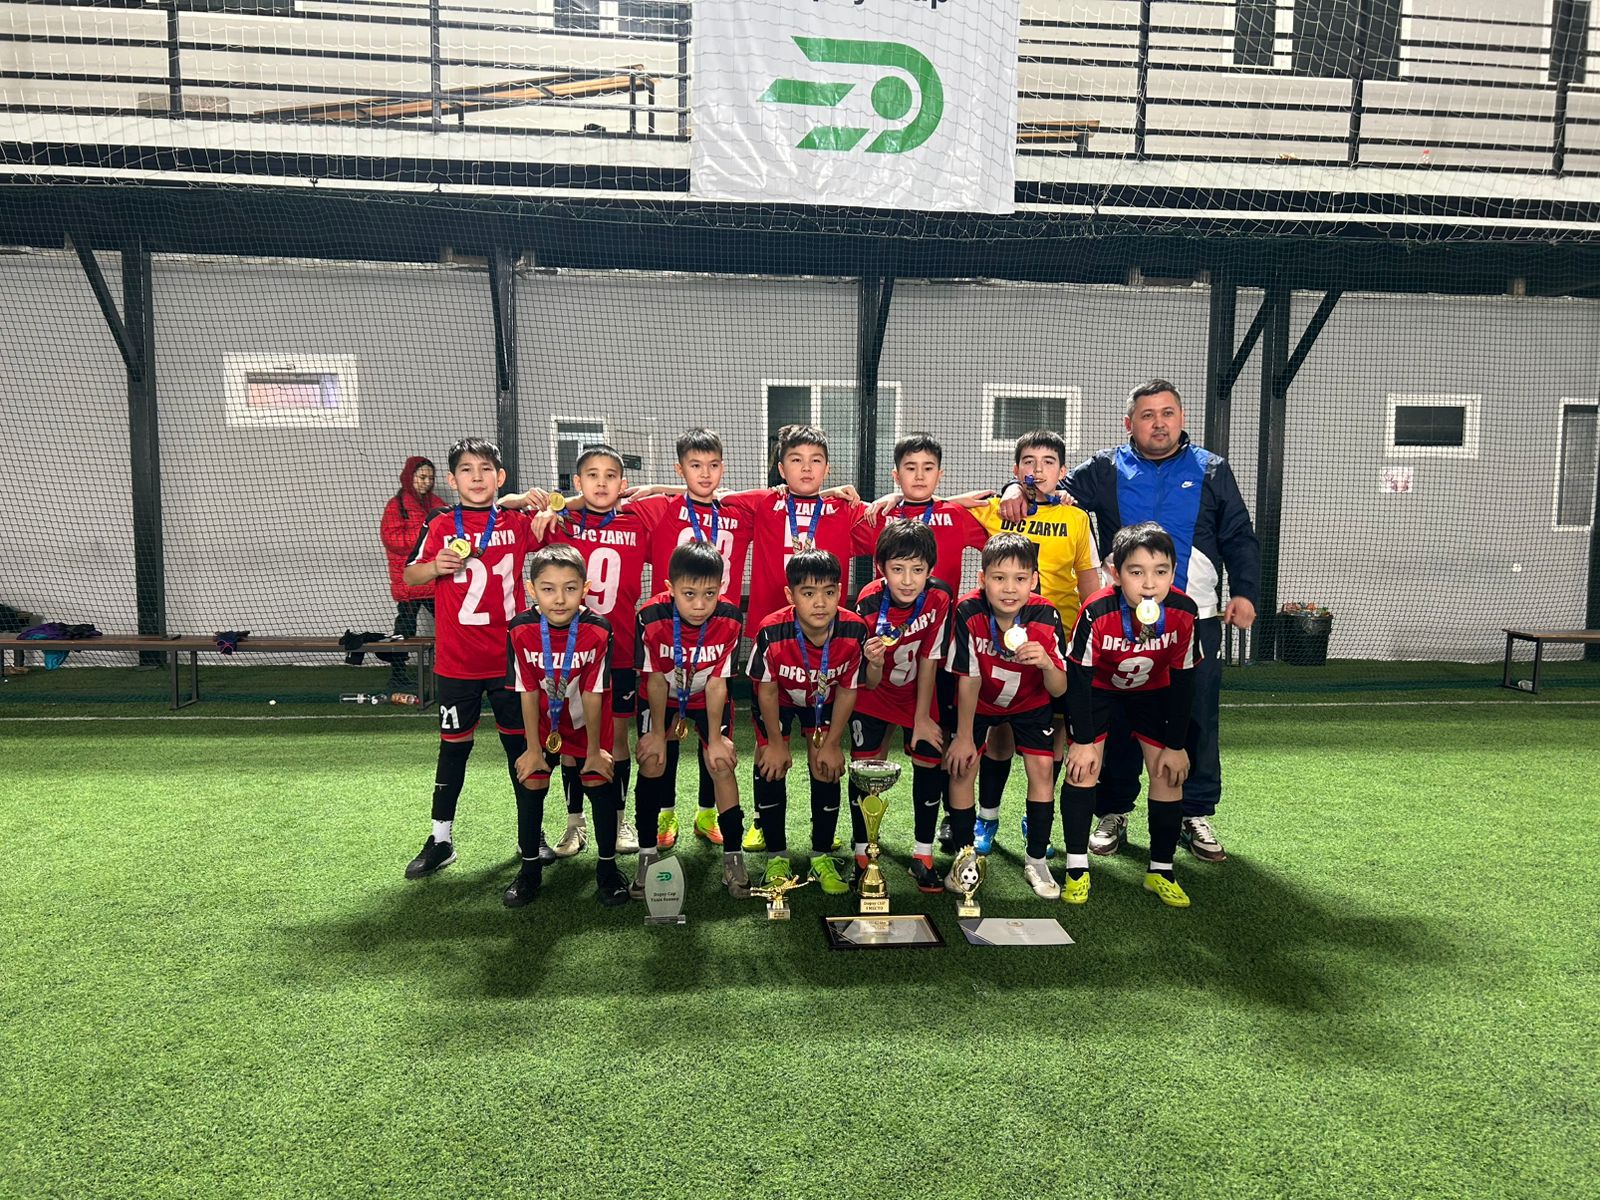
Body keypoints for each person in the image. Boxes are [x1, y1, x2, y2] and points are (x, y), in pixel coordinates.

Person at [998, 380, 1259, 861]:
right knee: (1117, 718)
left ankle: (1194, 812)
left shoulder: (1211, 469)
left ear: (1181, 418)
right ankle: (1113, 810)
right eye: (1147, 415)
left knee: (1196, 715)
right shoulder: (1106, 467)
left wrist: (1244, 591)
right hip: (1119, 621)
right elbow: (1051, 486)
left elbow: (1239, 534)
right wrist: (1014, 487)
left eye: (1167, 413)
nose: (1159, 423)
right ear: (1129, 423)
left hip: (1194, 616)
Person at [400, 437, 543, 881]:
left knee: (521, 750)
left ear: (500, 477)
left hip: (510, 661)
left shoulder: (517, 522)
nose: (476, 477)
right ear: (452, 478)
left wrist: (530, 502)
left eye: (485, 470)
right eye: (466, 469)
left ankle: (531, 837)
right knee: (453, 750)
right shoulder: (440, 522)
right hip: (457, 663)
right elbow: (409, 575)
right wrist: (434, 567)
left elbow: (561, 521)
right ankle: (440, 840)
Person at [724, 424, 870, 853]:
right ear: (780, 467)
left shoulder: (843, 509)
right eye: (796, 460)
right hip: (775, 640)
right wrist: (652, 488)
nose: (806, 468)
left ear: (828, 468)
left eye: (816, 461)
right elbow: (707, 492)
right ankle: (763, 823)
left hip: (826, 643)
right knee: (770, 745)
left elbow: (901, 510)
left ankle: (822, 837)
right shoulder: (764, 502)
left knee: (819, 741)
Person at [525, 444, 667, 860]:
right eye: (592, 475)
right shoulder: (564, 522)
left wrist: (649, 489)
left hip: (619, 649)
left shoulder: (637, 520)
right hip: (569, 653)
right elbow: (520, 510)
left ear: (623, 484)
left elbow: (689, 496)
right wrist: (554, 505)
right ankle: (575, 823)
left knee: (617, 738)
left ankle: (619, 819)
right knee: (572, 740)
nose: (601, 483)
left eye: (610, 476)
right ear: (577, 482)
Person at [622, 427, 759, 850]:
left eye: (713, 465)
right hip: (671, 628)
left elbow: (790, 494)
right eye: (695, 466)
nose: (705, 474)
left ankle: (706, 812)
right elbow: (604, 498)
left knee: (711, 732)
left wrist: (840, 492)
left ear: (724, 468)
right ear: (679, 469)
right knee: (661, 737)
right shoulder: (660, 507)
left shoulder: (737, 510)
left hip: (719, 628)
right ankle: (665, 813)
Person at [965, 431, 1099, 855]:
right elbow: (938, 507)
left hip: (1057, 637)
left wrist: (1089, 635)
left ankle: (1036, 818)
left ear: (1062, 471)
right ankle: (987, 817)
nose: (1037, 470)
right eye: (1028, 461)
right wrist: (1005, 492)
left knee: (1054, 731)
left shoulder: (1076, 518)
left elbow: (1090, 583)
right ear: (1015, 468)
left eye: (1047, 462)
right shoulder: (998, 510)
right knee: (1001, 731)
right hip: (998, 634)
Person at [1062, 522, 1202, 907]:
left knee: (1168, 771)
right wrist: (1083, 742)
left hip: (1152, 692)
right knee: (1083, 769)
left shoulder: (1184, 611)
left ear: (1174, 572)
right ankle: (1076, 869)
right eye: (1136, 572)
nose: (1149, 584)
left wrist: (1176, 745)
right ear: (1115, 573)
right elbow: (1078, 677)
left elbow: (1185, 680)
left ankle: (1161, 871)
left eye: (1161, 571)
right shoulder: (1097, 611)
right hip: (1098, 689)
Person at [943, 534, 1070, 899]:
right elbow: (968, 678)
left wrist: (1046, 662)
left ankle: (1036, 860)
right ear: (983, 579)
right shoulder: (968, 611)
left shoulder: (1045, 614)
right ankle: (965, 858)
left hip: (1030, 702)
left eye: (1020, 578)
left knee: (1042, 769)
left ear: (1034, 580)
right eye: (999, 578)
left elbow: (1060, 688)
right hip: (980, 702)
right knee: (963, 766)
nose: (1009, 588)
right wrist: (964, 736)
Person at [746, 550, 879, 894]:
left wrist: (833, 744)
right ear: (790, 595)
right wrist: (775, 743)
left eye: (829, 592)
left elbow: (848, 690)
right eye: (808, 593)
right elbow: (766, 691)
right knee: (771, 766)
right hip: (779, 701)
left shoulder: (854, 629)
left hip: (823, 702)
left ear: (840, 592)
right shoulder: (771, 631)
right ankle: (777, 856)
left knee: (826, 766)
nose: (820, 603)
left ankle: (821, 855)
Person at [505, 545, 629, 907]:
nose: (559, 599)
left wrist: (594, 750)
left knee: (597, 779)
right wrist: (532, 749)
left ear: (585, 589)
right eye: (548, 589)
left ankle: (607, 870)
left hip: (589, 722)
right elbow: (527, 690)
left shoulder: (598, 629)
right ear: (532, 590)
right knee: (531, 780)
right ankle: (529, 871)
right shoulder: (520, 628)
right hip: (544, 723)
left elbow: (593, 692)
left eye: (570, 588)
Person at [632, 542, 749, 898]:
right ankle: (647, 855)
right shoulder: (650, 617)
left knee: (720, 762)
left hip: (705, 694)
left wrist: (715, 739)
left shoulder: (730, 618)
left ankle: (733, 857)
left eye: (709, 593)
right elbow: (654, 680)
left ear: (721, 588)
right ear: (670, 588)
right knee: (653, 760)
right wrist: (656, 734)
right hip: (663, 694)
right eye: (689, 594)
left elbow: (717, 683)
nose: (700, 604)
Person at [848, 519, 954, 894]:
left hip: (916, 692)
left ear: (930, 569)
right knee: (864, 769)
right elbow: (868, 678)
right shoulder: (868, 601)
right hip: (875, 694)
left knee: (929, 758)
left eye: (917, 569)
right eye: (897, 569)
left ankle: (923, 855)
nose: (908, 580)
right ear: (881, 568)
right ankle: (863, 855)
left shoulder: (940, 597)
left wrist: (922, 717)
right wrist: (875, 663)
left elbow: (929, 658)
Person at [852, 432, 990, 592]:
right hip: (886, 608)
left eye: (928, 468)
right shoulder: (879, 515)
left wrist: (976, 600)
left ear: (939, 475)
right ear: (896, 476)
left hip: (943, 608)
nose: (919, 476)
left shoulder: (957, 515)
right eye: (911, 468)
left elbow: (1002, 546)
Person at [379, 455, 437, 692]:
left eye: (430, 478)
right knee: (404, 630)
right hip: (410, 582)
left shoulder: (436, 503)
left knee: (451, 626)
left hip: (433, 581)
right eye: (422, 477)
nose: (426, 482)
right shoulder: (396, 505)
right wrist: (426, 538)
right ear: (409, 477)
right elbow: (392, 539)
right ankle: (398, 675)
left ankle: (455, 669)